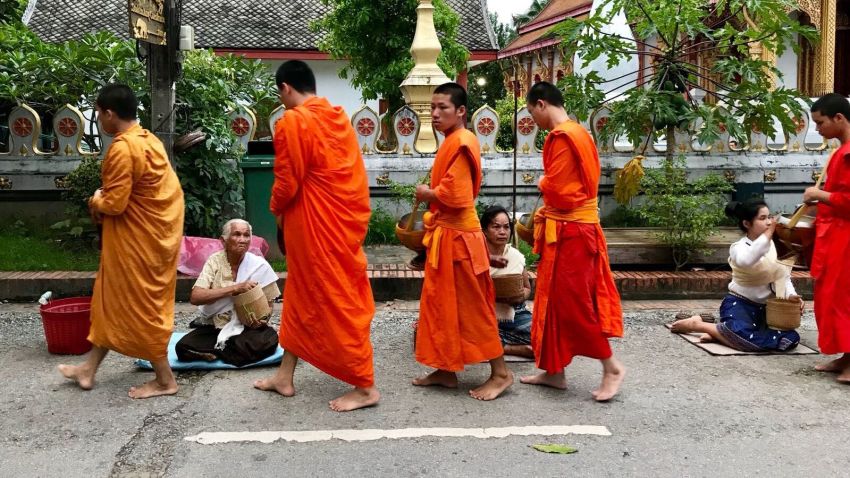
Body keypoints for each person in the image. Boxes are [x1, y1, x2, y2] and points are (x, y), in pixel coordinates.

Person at [253, 60, 380, 411]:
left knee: (336, 300)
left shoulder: (293, 121)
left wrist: (276, 212)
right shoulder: (338, 118)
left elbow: (287, 181)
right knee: (301, 295)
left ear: (285, 89)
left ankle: (365, 385)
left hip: (315, 226)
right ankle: (285, 375)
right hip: (335, 223)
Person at [58, 84, 184, 399]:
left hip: (138, 246)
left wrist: (96, 199)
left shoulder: (124, 148)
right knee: (112, 304)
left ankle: (165, 381)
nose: (99, 119)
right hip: (148, 239)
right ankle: (88, 370)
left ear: (110, 113)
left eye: (99, 113)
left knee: (140, 308)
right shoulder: (148, 140)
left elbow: (115, 204)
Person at [520, 81, 625, 401]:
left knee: (575, 304)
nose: (533, 121)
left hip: (574, 233)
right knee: (551, 302)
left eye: (530, 113)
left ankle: (611, 367)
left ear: (541, 105)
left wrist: (542, 181)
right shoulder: (579, 133)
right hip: (569, 231)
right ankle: (553, 371)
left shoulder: (563, 136)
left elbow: (563, 193)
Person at [412, 82, 513, 401]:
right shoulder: (451, 141)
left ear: (460, 111)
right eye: (433, 108)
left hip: (459, 239)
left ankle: (501, 373)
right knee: (441, 307)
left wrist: (427, 194)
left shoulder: (463, 140)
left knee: (473, 309)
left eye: (443, 107)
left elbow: (455, 196)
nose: (436, 114)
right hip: (448, 236)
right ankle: (445, 369)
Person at [671, 199, 803, 351]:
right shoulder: (738, 248)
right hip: (740, 305)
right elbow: (747, 261)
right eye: (762, 218)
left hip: (767, 310)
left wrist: (791, 296)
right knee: (748, 337)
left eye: (769, 217)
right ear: (747, 224)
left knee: (790, 339)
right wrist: (768, 236)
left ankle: (721, 333)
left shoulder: (776, 245)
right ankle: (697, 325)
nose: (768, 222)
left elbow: (782, 275)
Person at [176, 219, 280, 367]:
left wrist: (262, 321)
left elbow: (269, 304)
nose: (243, 240)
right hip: (216, 326)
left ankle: (220, 351)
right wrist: (235, 288)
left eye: (246, 235)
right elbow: (196, 297)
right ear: (223, 241)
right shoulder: (214, 262)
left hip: (247, 328)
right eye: (237, 234)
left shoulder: (259, 265)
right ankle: (228, 352)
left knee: (268, 340)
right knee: (182, 346)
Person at [803, 93, 850, 382]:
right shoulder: (840, 152)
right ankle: (845, 355)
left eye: (820, 123)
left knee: (845, 297)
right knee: (830, 297)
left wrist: (819, 194)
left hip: (846, 236)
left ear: (839, 119)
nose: (817, 129)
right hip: (834, 235)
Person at [480, 205, 534, 359]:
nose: (502, 232)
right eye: (496, 227)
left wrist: (519, 296)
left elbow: (527, 288)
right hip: (484, 314)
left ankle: (497, 344)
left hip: (515, 312)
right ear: (484, 230)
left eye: (506, 227)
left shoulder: (515, 255)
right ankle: (512, 348)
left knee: (546, 337)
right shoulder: (477, 257)